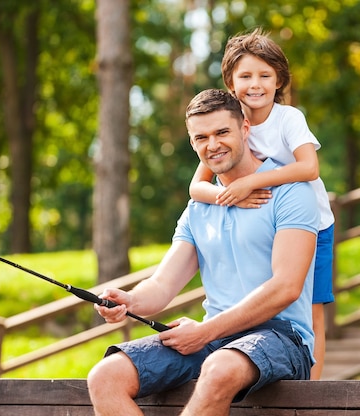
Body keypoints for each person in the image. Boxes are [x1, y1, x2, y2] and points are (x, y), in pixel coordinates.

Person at [87, 88, 320, 416]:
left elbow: (286, 287)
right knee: (106, 376)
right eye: (201, 137)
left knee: (219, 368)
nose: (213, 145)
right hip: (215, 336)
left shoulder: (291, 194)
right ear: (192, 142)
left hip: (282, 337)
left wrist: (206, 331)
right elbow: (163, 286)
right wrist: (130, 300)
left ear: (245, 129)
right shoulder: (199, 209)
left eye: (222, 132)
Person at [188, 28, 335, 380]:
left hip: (311, 221)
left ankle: (312, 389)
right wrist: (230, 198)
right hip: (261, 219)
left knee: (310, 308)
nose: (255, 85)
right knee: (265, 298)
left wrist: (250, 182)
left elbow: (308, 168)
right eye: (245, 76)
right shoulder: (228, 123)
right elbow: (197, 188)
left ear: (279, 80)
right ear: (230, 81)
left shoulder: (288, 118)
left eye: (265, 75)